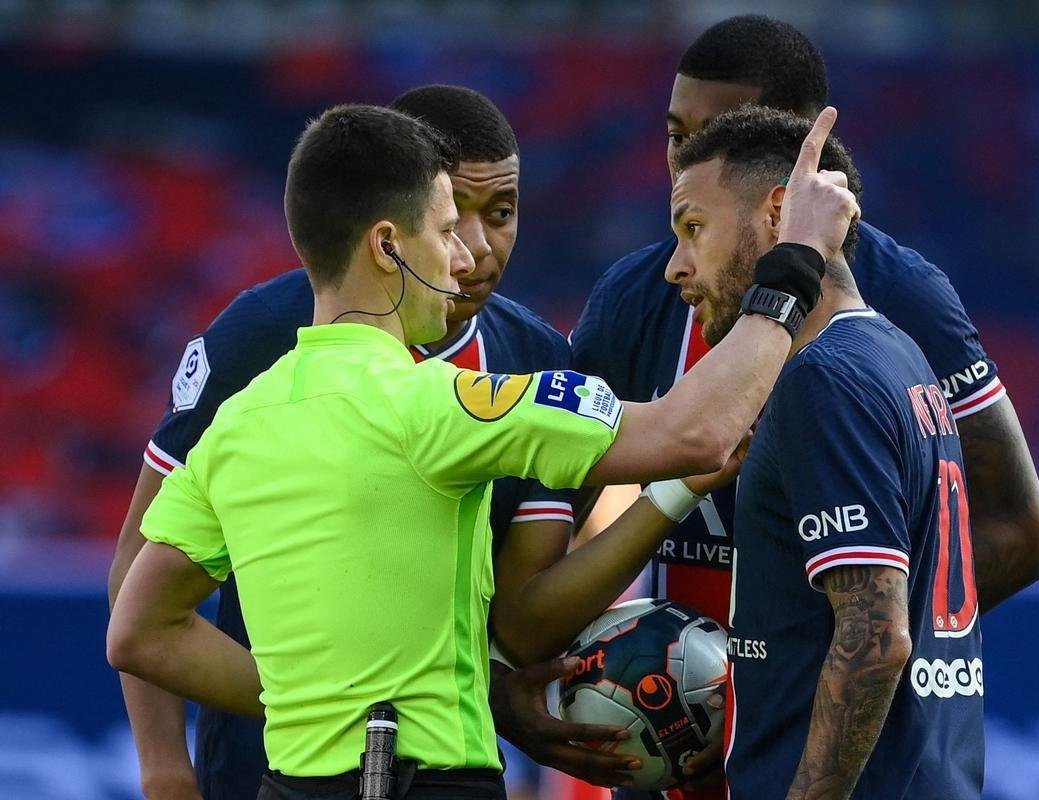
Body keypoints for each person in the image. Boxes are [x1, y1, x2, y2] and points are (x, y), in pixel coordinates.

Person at [107, 102, 858, 800]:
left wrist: (314, 697)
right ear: (386, 246)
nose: (465, 258)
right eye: (444, 232)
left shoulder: (245, 420)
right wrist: (792, 263)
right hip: (426, 780)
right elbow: (694, 431)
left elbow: (139, 629)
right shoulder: (442, 403)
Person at [569, 15, 1039, 794]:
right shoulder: (641, 294)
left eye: (718, 132)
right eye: (673, 133)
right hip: (688, 733)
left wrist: (806, 647)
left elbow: (1014, 536)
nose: (685, 159)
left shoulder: (888, 305)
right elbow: (561, 514)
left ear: (792, 174)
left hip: (813, 743)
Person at [667, 105, 983, 798]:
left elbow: (877, 637)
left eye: (694, 229)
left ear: (780, 216)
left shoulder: (825, 377)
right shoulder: (897, 354)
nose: (675, 267)